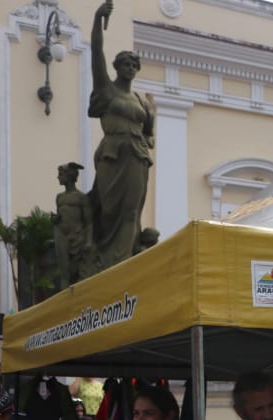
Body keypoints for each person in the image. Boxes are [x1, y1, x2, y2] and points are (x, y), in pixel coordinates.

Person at [88, 1, 155, 269]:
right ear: (117, 67)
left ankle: (124, 263)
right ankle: (102, 263)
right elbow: (96, 54)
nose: (130, 67)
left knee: (131, 211)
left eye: (133, 64)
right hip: (112, 155)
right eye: (125, 63)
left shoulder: (142, 103)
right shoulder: (107, 89)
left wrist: (143, 140)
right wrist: (97, 20)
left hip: (137, 157)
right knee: (108, 211)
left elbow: (149, 133)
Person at [52, 162, 100, 286]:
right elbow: (61, 217)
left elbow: (88, 222)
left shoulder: (81, 198)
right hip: (63, 238)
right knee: (64, 273)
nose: (58, 177)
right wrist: (56, 219)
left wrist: (88, 241)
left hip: (78, 239)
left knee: (77, 271)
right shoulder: (59, 197)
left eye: (61, 174)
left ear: (69, 176)